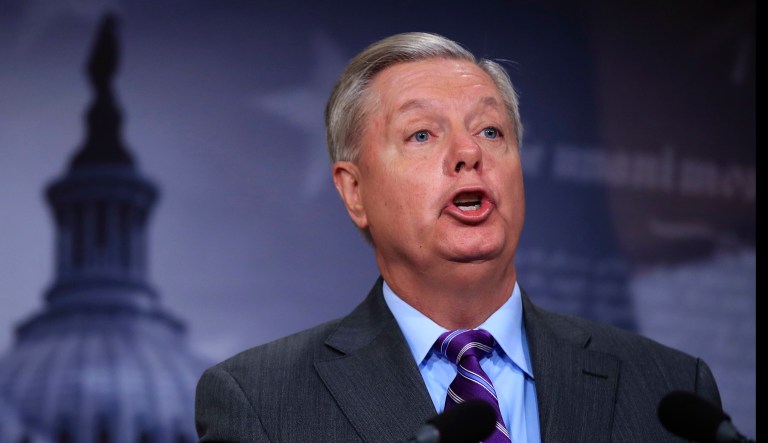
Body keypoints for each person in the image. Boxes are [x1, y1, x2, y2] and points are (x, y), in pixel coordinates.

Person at [195, 32, 721, 442]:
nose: (469, 152)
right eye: (422, 133)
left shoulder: (668, 390)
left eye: (490, 131)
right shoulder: (262, 402)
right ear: (354, 192)